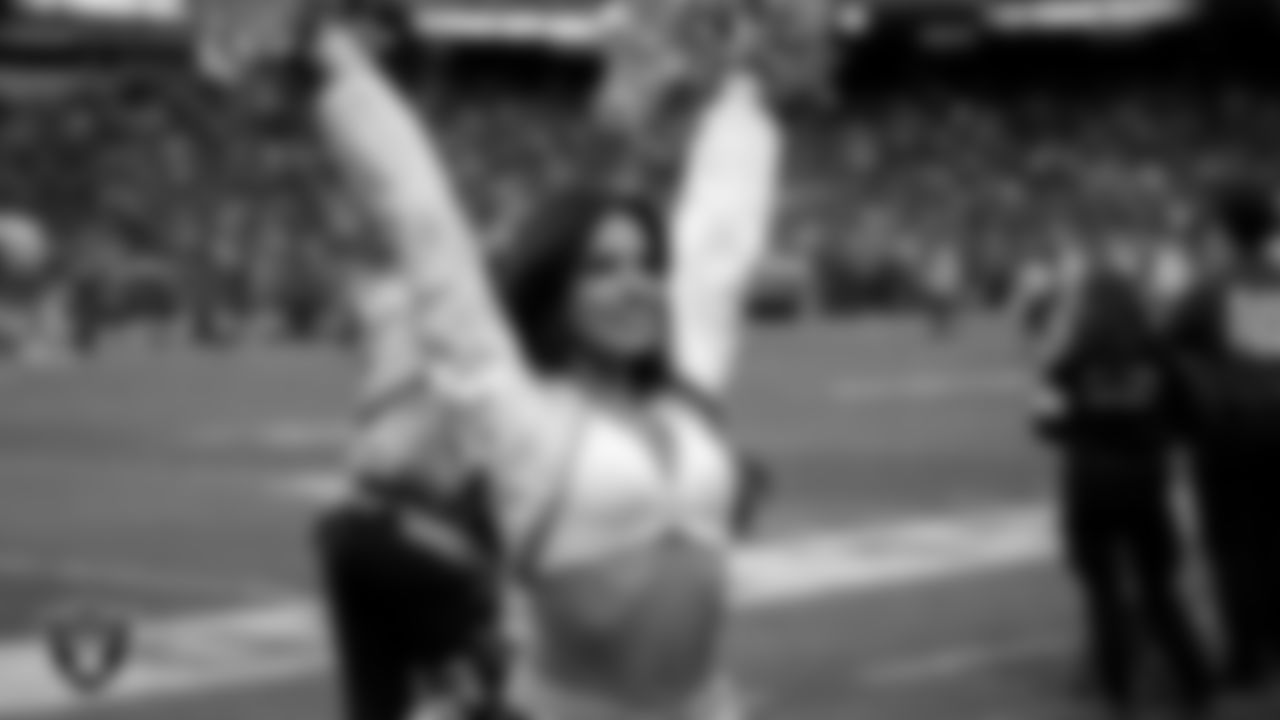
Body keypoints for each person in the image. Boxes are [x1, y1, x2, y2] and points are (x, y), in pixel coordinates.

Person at [196, 4, 782, 720]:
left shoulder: (685, 393)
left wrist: (750, 91)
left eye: (646, 265)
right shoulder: (521, 416)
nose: (635, 285)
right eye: (601, 269)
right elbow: (424, 220)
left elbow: (721, 241)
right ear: (558, 292)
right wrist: (333, 61)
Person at [1036, 246, 1213, 717]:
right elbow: (1191, 416)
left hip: (1089, 484)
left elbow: (1045, 424)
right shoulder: (1158, 355)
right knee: (1159, 590)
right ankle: (1195, 684)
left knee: (1102, 594)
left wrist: (1081, 424)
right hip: (1145, 482)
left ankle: (1118, 693)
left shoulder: (1070, 360)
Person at [1168, 184, 1280, 690]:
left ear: (1226, 229)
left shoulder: (1209, 287)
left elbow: (1164, 343)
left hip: (1231, 433)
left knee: (1233, 545)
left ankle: (1246, 653)